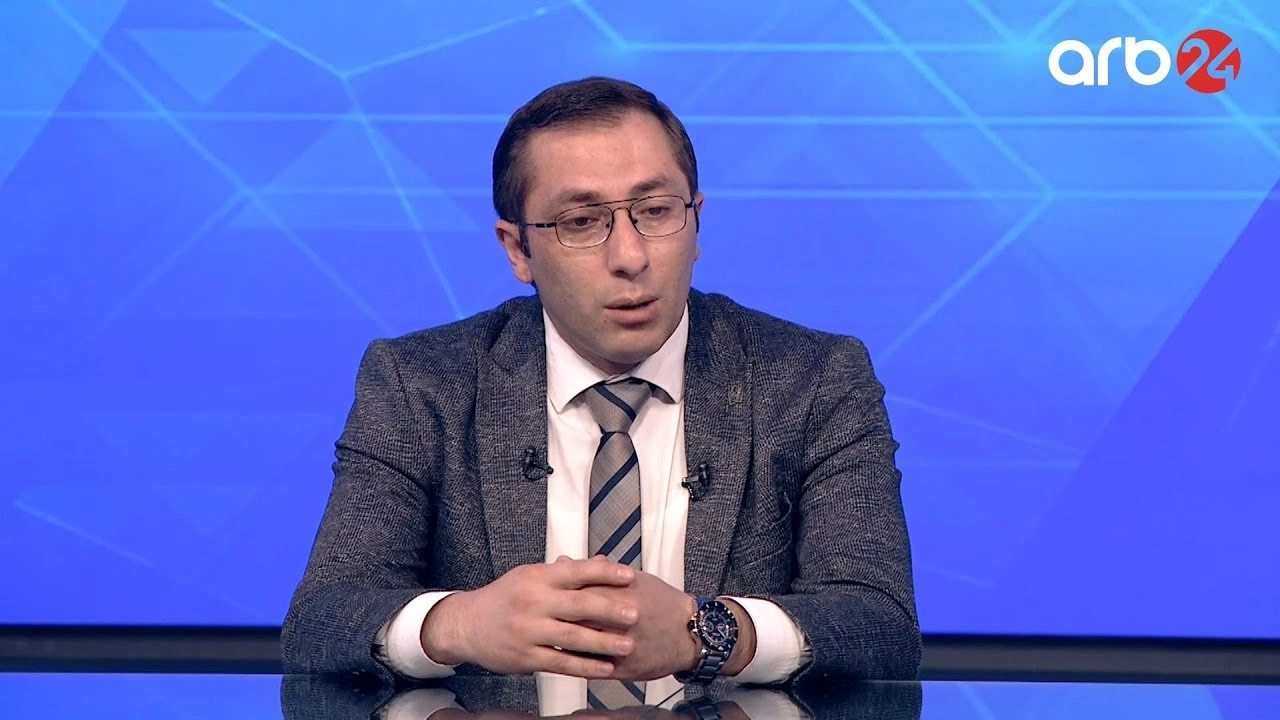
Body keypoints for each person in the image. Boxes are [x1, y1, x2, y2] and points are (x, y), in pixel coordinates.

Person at [280, 76, 921, 712]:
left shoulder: (814, 379)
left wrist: (705, 632)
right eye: (582, 222)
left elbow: (879, 624)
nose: (630, 256)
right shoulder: (420, 384)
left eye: (656, 211)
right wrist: (462, 624)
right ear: (518, 249)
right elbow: (323, 618)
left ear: (697, 222)